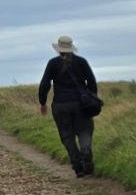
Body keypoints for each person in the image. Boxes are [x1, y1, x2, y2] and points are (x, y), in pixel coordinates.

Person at [37, 35, 99, 177]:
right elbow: (92, 82)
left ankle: (77, 165)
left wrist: (43, 102)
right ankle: (86, 150)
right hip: (81, 104)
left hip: (60, 105)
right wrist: (92, 98)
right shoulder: (81, 62)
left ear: (59, 48)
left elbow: (44, 84)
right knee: (84, 130)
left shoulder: (53, 63)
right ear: (71, 47)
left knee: (67, 136)